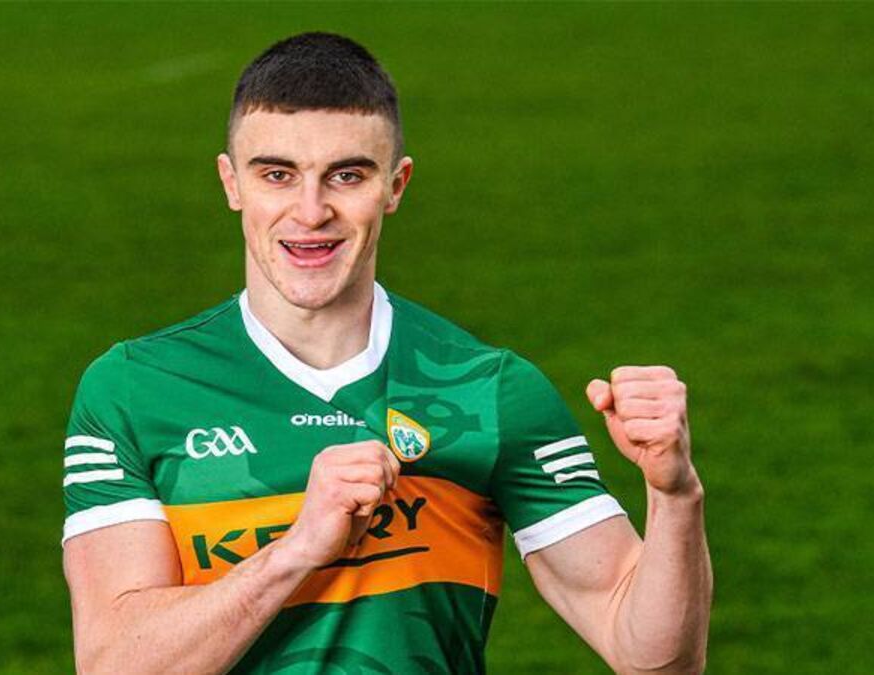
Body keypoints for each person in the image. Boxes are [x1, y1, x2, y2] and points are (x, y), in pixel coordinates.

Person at [61, 32, 711, 674]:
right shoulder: (133, 389)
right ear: (232, 183)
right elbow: (114, 663)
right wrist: (297, 549)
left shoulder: (489, 390)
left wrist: (675, 494)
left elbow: (655, 660)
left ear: (396, 186)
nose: (311, 212)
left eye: (347, 175)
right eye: (277, 175)